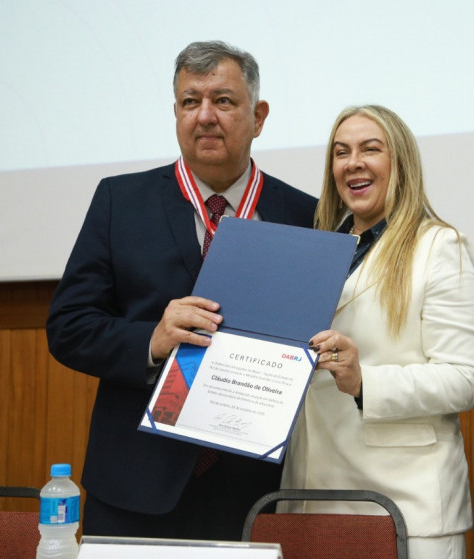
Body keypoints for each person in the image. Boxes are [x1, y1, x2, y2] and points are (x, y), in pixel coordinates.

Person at [46, 40, 316, 541]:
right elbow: (68, 327)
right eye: (191, 102)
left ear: (258, 116)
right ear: (176, 113)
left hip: (256, 487)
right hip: (135, 483)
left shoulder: (304, 215)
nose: (205, 116)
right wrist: (152, 339)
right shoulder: (119, 202)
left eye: (224, 101)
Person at [279, 105, 474, 559]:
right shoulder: (316, 251)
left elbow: (465, 378)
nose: (353, 162)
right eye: (341, 152)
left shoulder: (440, 247)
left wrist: (364, 382)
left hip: (406, 510)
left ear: (400, 163)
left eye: (370, 149)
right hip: (311, 499)